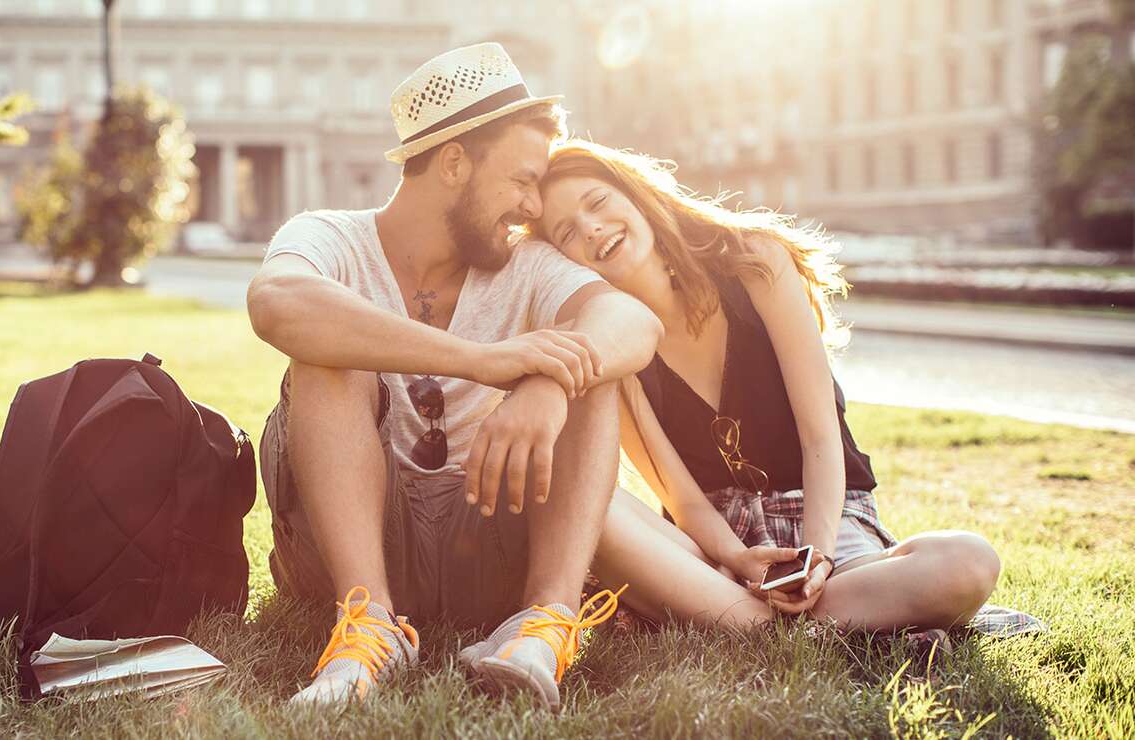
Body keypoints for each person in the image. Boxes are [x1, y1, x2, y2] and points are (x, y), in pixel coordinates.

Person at [246, 45, 661, 710]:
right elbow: (276, 303)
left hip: (484, 541)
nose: (530, 207)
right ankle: (366, 631)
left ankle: (543, 625)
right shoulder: (329, 236)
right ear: (454, 162)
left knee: (586, 363)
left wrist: (546, 385)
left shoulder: (525, 263)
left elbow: (631, 320)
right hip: (348, 548)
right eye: (522, 181)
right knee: (326, 350)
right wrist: (482, 360)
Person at [534, 139, 1014, 635]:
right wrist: (739, 560)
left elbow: (820, 437)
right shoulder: (614, 341)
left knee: (968, 562)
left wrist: (818, 557)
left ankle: (755, 624)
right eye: (567, 232)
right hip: (714, 547)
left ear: (634, 194)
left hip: (824, 518)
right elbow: (683, 500)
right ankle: (831, 625)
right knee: (587, 500)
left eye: (598, 201)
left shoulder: (754, 262)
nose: (591, 228)